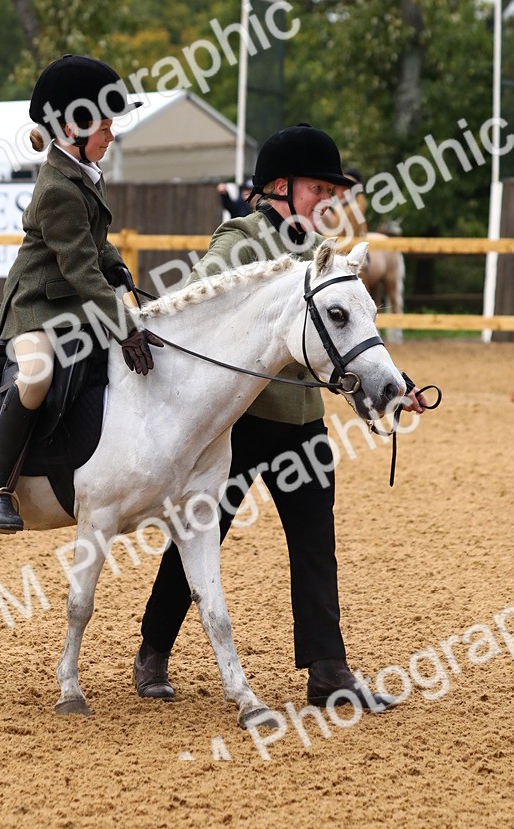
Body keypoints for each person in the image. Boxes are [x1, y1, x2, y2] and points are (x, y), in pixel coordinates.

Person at [133, 123, 427, 710]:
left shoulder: (323, 254)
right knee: (201, 533)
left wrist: (392, 385)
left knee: (316, 541)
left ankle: (328, 671)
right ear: (278, 187)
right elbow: (190, 312)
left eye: (333, 191)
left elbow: (347, 336)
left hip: (302, 418)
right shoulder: (239, 243)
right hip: (238, 424)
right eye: (320, 188)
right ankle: (153, 649)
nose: (331, 200)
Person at [0, 54, 160, 534]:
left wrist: (116, 261)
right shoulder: (58, 186)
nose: (110, 134)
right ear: (71, 128)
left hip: (73, 302)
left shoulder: (82, 173)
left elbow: (92, 245)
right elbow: (79, 269)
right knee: (36, 377)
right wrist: (123, 325)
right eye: (104, 125)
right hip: (38, 307)